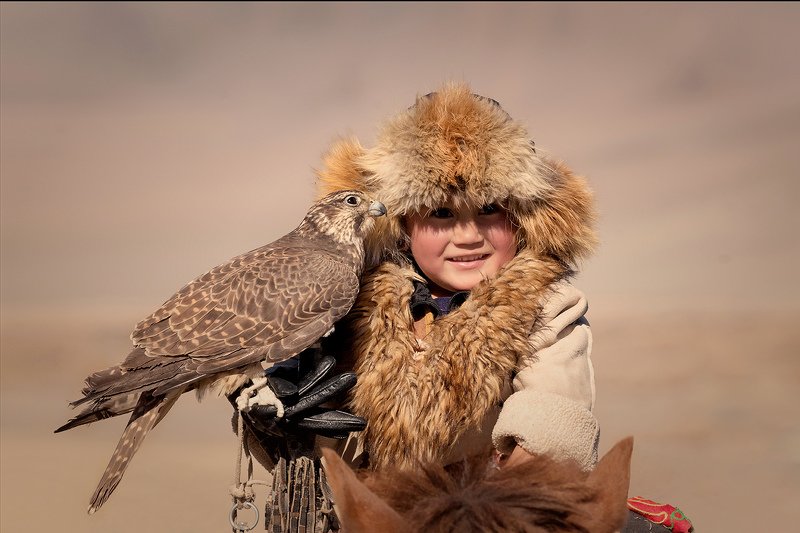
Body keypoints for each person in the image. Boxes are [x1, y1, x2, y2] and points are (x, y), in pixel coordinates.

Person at [312, 81, 599, 474]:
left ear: (522, 218)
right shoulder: (347, 308)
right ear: (401, 225)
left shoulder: (548, 309)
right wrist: (277, 425)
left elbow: (551, 435)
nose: (468, 236)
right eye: (441, 214)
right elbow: (322, 450)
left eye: (489, 209)